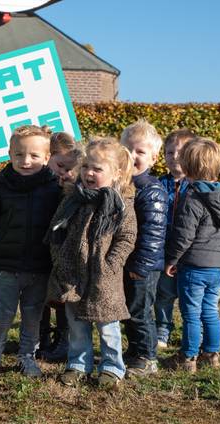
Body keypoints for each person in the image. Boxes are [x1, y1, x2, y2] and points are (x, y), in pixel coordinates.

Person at [48, 137, 137, 388]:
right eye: (86, 166)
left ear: (116, 174)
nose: (89, 173)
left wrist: (111, 263)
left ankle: (111, 367)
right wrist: (59, 256)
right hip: (72, 272)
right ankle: (78, 364)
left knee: (107, 325)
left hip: (103, 276)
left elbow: (127, 237)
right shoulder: (73, 199)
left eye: (97, 169)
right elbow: (56, 229)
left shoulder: (120, 205)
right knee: (76, 323)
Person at [0, 125, 61, 380]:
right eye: (19, 155)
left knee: (33, 315)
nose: (26, 161)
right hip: (8, 264)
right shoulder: (1, 184)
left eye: (34, 156)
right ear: (10, 154)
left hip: (39, 264)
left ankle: (27, 357)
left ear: (46, 158)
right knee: (1, 314)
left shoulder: (53, 186)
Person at [163, 138, 220, 373]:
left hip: (194, 265)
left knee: (191, 313)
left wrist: (172, 259)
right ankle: (212, 354)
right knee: (210, 310)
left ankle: (188, 357)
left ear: (188, 167)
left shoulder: (193, 198)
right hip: (217, 265)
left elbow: (184, 235)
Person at [119, 120, 168, 377]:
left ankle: (147, 357)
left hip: (142, 266)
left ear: (153, 157)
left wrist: (140, 265)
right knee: (127, 309)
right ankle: (135, 349)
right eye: (128, 149)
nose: (133, 156)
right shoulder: (121, 184)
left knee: (140, 311)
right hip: (124, 262)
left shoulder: (151, 189)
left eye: (140, 151)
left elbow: (153, 233)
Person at [39, 132, 84, 362]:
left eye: (68, 168)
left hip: (63, 251)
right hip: (43, 248)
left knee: (63, 295)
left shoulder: (71, 187)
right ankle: (42, 336)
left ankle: (63, 339)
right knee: (43, 294)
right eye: (59, 165)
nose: (63, 172)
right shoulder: (41, 180)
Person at [155, 129, 196, 349]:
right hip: (164, 248)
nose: (174, 157)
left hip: (190, 251)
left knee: (190, 295)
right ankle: (162, 328)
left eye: (180, 152)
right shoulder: (159, 183)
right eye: (169, 152)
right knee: (164, 293)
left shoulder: (198, 185)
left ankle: (194, 332)